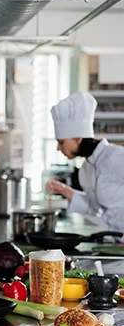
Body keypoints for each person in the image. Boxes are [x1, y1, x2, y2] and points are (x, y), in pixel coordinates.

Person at [45, 92, 124, 237]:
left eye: (61, 142)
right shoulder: (86, 170)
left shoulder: (116, 157)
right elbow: (93, 208)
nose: (58, 148)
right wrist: (63, 190)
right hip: (113, 242)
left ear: (78, 138)